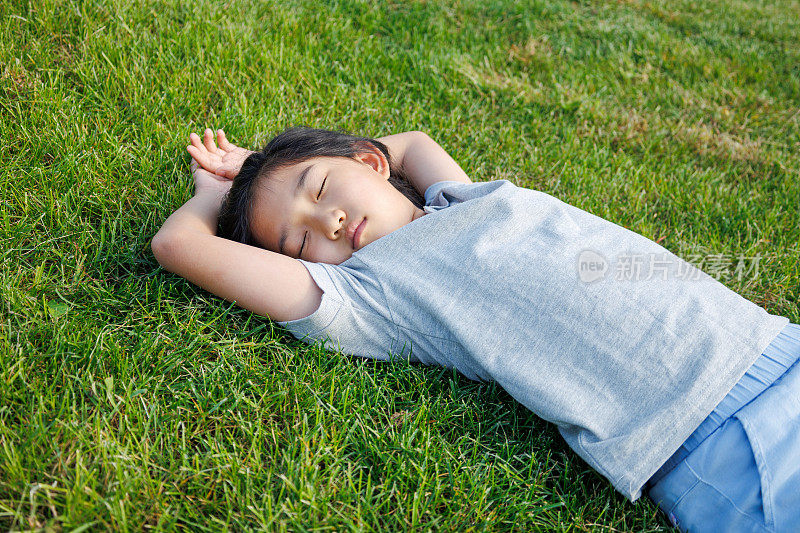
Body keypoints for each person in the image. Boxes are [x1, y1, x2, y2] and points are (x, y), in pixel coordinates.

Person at [152, 126, 800, 532]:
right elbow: (178, 245)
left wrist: (261, 165)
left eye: (320, 185)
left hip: (771, 347)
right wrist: (217, 192)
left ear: (367, 162)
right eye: (297, 238)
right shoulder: (368, 293)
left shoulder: (458, 197)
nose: (326, 220)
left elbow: (408, 142)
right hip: (714, 443)